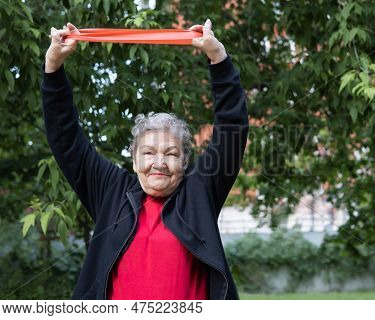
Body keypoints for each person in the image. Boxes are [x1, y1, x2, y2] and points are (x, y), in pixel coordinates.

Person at [41, 19, 248, 300]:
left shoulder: (200, 192)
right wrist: (53, 68)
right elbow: (66, 139)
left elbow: (232, 129)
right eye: (149, 152)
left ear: (185, 162)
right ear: (135, 158)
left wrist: (218, 58)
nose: (159, 163)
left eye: (171, 153)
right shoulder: (111, 191)